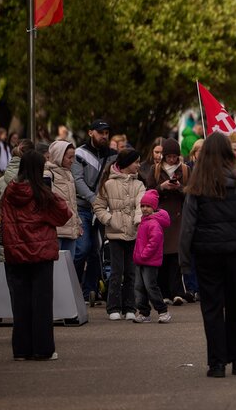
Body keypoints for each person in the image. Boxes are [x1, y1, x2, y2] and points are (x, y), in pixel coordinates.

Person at [179, 132, 236, 378]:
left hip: (207, 252)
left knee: (212, 308)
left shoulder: (197, 185)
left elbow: (187, 226)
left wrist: (184, 261)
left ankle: (216, 363)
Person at [0, 151, 71, 361]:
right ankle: (43, 349)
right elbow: (63, 214)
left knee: (20, 303)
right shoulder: (42, 193)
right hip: (40, 253)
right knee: (41, 302)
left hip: (16, 252)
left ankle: (21, 350)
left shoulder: (9, 193)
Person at [93, 148, 145, 321]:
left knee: (131, 272)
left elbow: (141, 203)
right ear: (126, 164)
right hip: (115, 234)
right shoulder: (108, 184)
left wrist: (138, 219)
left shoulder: (139, 184)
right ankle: (113, 306)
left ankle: (130, 306)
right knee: (116, 271)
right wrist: (109, 219)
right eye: (136, 162)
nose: (138, 165)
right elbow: (98, 206)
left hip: (133, 232)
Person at [71, 119, 117, 306]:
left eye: (106, 133)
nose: (104, 136)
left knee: (96, 252)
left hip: (103, 209)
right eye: (100, 133)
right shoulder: (79, 153)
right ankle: (71, 287)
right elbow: (77, 179)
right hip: (83, 208)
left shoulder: (113, 155)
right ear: (91, 133)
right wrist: (93, 199)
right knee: (81, 249)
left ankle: (88, 291)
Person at [144, 138, 189, 305]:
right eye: (169, 156)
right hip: (160, 216)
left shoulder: (185, 170)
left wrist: (179, 188)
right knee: (161, 255)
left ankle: (177, 291)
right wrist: (162, 187)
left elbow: (191, 194)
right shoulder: (154, 170)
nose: (172, 160)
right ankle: (164, 292)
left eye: (174, 156)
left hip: (178, 217)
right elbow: (149, 194)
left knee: (176, 255)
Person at [132, 189, 172, 323]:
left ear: (154, 207)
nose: (144, 209)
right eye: (142, 206)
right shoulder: (144, 221)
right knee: (139, 287)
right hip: (140, 260)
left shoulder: (153, 223)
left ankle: (163, 311)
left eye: (148, 206)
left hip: (149, 261)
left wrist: (143, 254)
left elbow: (154, 241)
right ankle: (143, 312)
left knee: (150, 286)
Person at [44, 140, 82, 254]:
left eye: (73, 157)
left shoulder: (69, 174)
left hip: (70, 231)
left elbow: (72, 203)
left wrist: (77, 223)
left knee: (68, 266)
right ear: (58, 155)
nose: (72, 161)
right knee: (56, 267)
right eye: (69, 157)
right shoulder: (47, 174)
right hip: (57, 231)